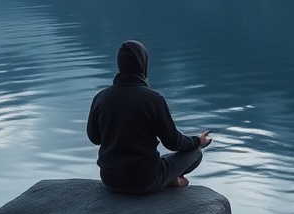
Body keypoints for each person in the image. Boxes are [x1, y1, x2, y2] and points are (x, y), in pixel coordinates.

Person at [87, 40, 212, 194]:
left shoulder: (101, 98)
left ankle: (168, 179)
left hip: (110, 180)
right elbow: (173, 142)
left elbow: (95, 138)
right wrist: (197, 141)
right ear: (143, 65)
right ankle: (167, 180)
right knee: (196, 153)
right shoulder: (153, 99)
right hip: (145, 180)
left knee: (166, 160)